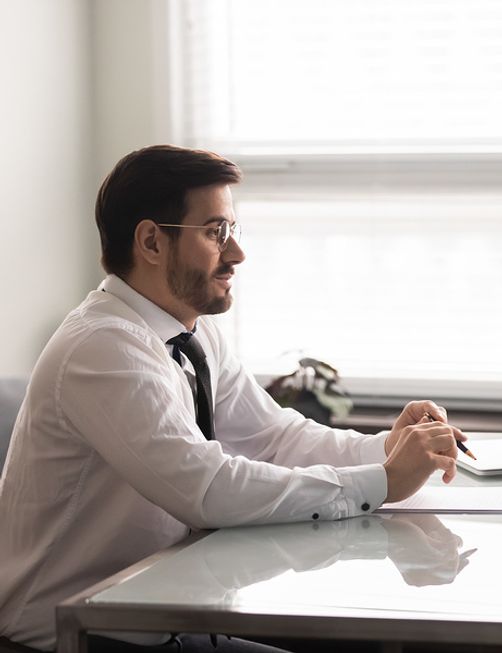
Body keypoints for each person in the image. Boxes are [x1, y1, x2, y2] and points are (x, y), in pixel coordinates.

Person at [0, 145, 467, 653]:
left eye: (232, 231)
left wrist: (387, 449)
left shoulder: (189, 332)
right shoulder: (102, 347)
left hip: (156, 612)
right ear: (152, 241)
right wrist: (383, 481)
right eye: (215, 232)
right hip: (68, 634)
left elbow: (273, 437)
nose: (237, 253)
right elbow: (208, 488)